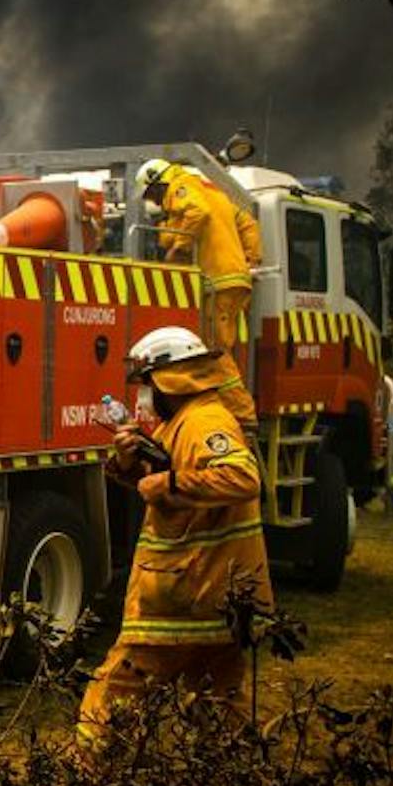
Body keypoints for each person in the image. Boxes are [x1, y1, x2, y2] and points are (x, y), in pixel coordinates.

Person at [77, 326, 274, 751]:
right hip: (216, 601)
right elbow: (171, 476)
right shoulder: (182, 422)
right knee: (221, 711)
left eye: (147, 385)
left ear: (170, 380)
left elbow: (240, 478)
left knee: (109, 702)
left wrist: (162, 485)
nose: (144, 397)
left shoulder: (205, 420)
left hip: (184, 600)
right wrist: (131, 464)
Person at [137, 157, 260, 432]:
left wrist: (179, 246)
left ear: (159, 183)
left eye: (153, 196)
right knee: (216, 346)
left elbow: (197, 212)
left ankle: (242, 413)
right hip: (232, 279)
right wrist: (251, 259)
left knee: (215, 350)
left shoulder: (182, 187)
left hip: (218, 280)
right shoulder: (213, 191)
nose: (157, 204)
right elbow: (248, 223)